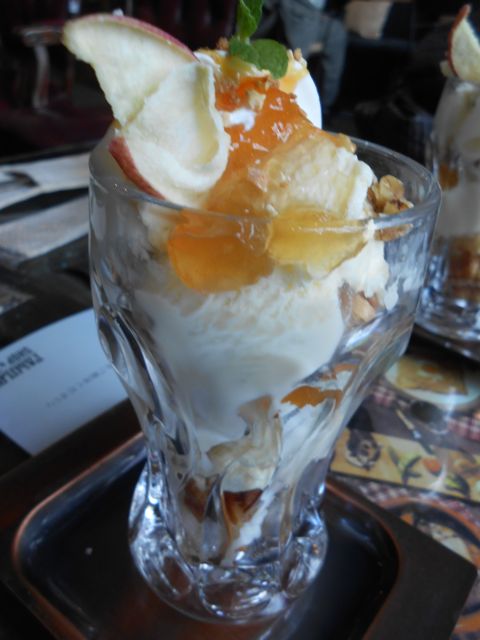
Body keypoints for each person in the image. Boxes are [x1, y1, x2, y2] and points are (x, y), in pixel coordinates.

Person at [262, 0, 347, 111]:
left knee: (337, 33)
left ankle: (322, 109)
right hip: (299, 6)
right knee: (294, 60)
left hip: (318, 12)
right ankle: (275, 103)